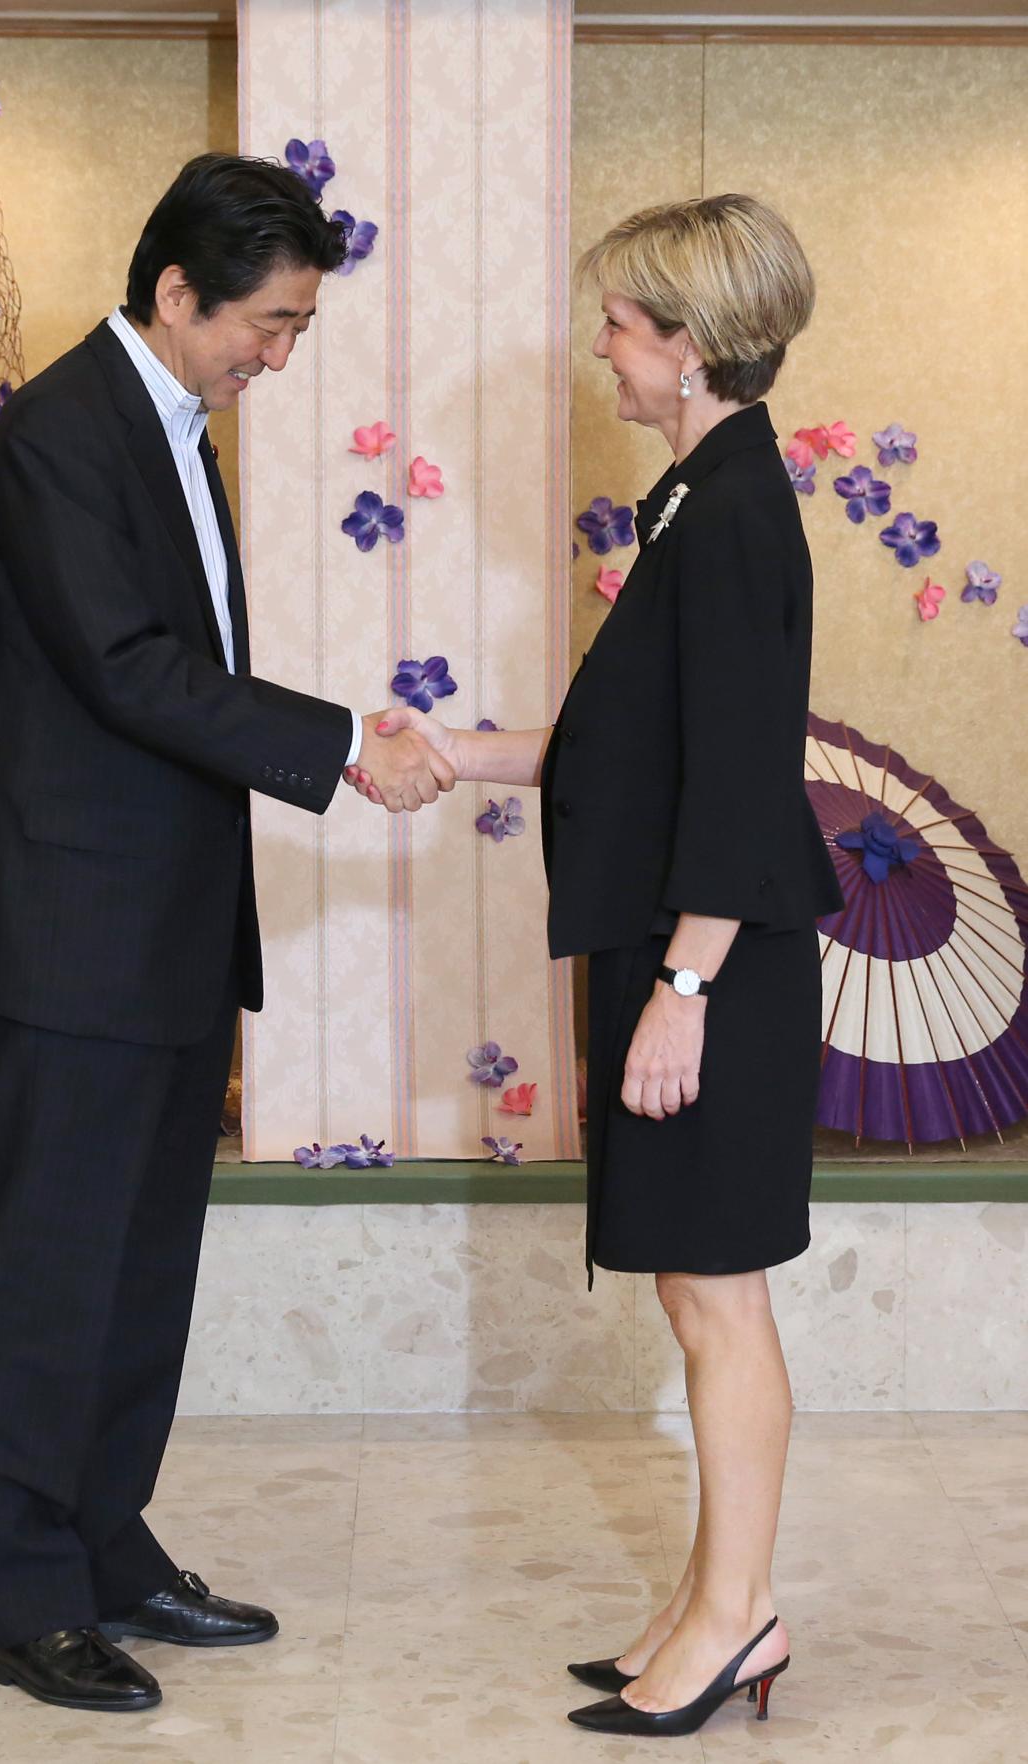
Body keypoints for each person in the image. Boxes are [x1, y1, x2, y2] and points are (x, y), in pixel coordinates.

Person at [0, 152, 453, 1715]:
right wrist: (341, 739)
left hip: (157, 929)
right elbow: (125, 668)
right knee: (48, 1279)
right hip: (72, 936)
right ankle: (21, 1598)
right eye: (272, 325)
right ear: (179, 292)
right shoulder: (59, 433)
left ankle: (106, 1547)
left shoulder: (164, 423)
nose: (281, 356)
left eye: (298, 328)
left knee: (139, 1269)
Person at [350, 193, 843, 1739]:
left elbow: (752, 777)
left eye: (622, 328)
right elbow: (636, 748)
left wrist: (683, 988)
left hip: (716, 969)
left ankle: (741, 1618)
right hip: (684, 952)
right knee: (702, 1296)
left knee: (717, 1301)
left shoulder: (738, 508)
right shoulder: (698, 498)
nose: (605, 355)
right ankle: (708, 1606)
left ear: (689, 348)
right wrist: (457, 749)